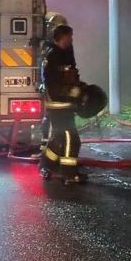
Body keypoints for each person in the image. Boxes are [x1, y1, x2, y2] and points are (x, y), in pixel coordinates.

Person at [38, 24, 85, 184]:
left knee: (59, 138)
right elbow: (54, 84)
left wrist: (83, 89)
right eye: (69, 36)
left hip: (65, 105)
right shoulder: (53, 57)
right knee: (70, 138)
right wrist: (72, 93)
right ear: (61, 37)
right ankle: (69, 173)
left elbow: (72, 77)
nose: (71, 39)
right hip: (58, 105)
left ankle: (46, 165)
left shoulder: (65, 54)